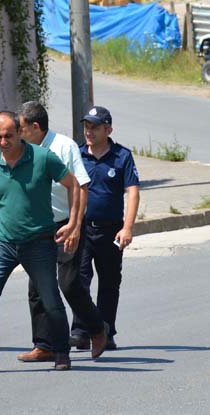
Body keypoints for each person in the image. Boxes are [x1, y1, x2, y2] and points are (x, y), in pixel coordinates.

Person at [0, 111, 79, 373]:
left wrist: (73, 223)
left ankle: (61, 352)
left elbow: (73, 185)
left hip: (38, 241)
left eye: (8, 136)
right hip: (4, 242)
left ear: (20, 133)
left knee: (50, 299)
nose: (3, 142)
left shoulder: (42, 157)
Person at [16, 101, 108, 362]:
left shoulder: (64, 146)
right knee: (37, 287)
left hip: (66, 223)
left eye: (21, 128)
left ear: (35, 127)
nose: (17, 133)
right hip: (38, 227)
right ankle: (44, 345)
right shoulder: (23, 151)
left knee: (68, 284)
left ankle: (97, 327)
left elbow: (82, 187)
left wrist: (75, 226)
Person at [74, 106, 140, 350]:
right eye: (86, 126)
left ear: (108, 130)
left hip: (111, 230)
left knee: (109, 283)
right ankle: (81, 331)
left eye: (94, 127)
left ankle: (106, 331)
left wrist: (128, 228)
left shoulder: (122, 156)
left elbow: (133, 192)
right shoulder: (77, 154)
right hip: (81, 228)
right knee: (78, 281)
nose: (89, 132)